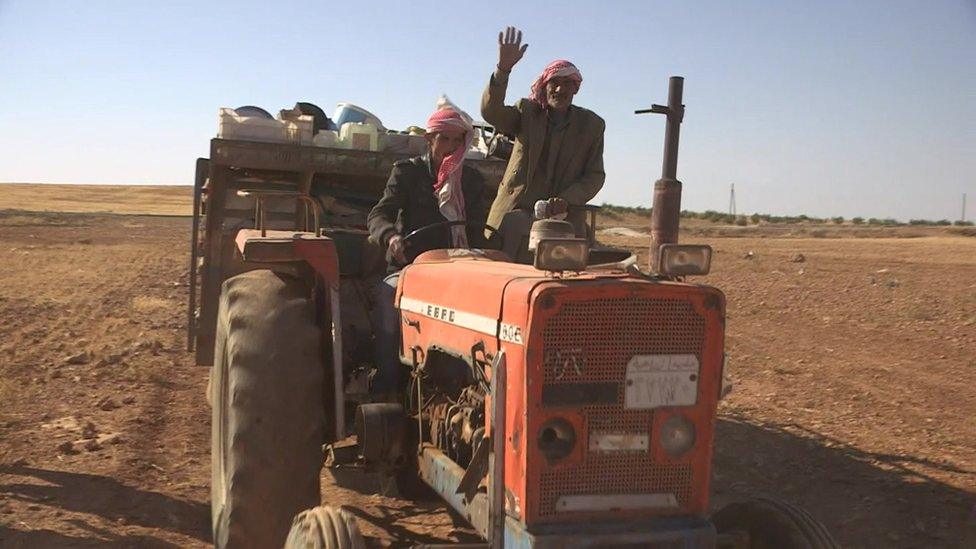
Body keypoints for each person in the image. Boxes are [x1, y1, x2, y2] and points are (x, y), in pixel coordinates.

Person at [366, 98, 487, 396]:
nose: (449, 146)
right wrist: (392, 238)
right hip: (413, 266)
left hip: (461, 266)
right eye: (443, 138)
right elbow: (379, 214)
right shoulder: (408, 173)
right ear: (429, 139)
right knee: (388, 295)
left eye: (456, 140)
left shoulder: (471, 180)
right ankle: (387, 382)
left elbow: (481, 228)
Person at [481, 26, 606, 262]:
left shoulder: (591, 126)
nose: (560, 89)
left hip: (562, 225)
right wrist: (503, 70)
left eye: (567, 84)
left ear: (575, 88)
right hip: (514, 220)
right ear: (545, 85)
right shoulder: (527, 113)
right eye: (554, 83)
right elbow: (491, 112)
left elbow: (595, 175)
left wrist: (567, 200)